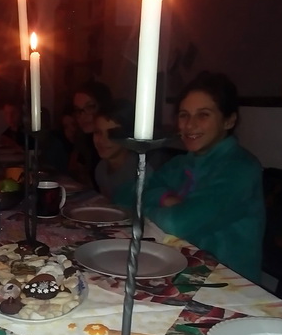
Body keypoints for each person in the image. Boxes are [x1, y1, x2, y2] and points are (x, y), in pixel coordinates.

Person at [141, 71, 264, 282]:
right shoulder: (180, 163)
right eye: (184, 115)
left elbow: (177, 224)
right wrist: (166, 199)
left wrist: (154, 209)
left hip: (226, 282)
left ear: (229, 121)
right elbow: (134, 194)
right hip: (176, 267)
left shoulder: (241, 169)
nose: (190, 125)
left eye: (203, 115)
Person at [93, 100, 177, 204]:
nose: (102, 140)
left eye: (113, 134)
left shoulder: (141, 173)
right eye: (98, 132)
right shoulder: (100, 169)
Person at [71, 81, 113, 190]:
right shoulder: (83, 140)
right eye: (78, 110)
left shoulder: (113, 143)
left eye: (90, 107)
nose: (82, 116)